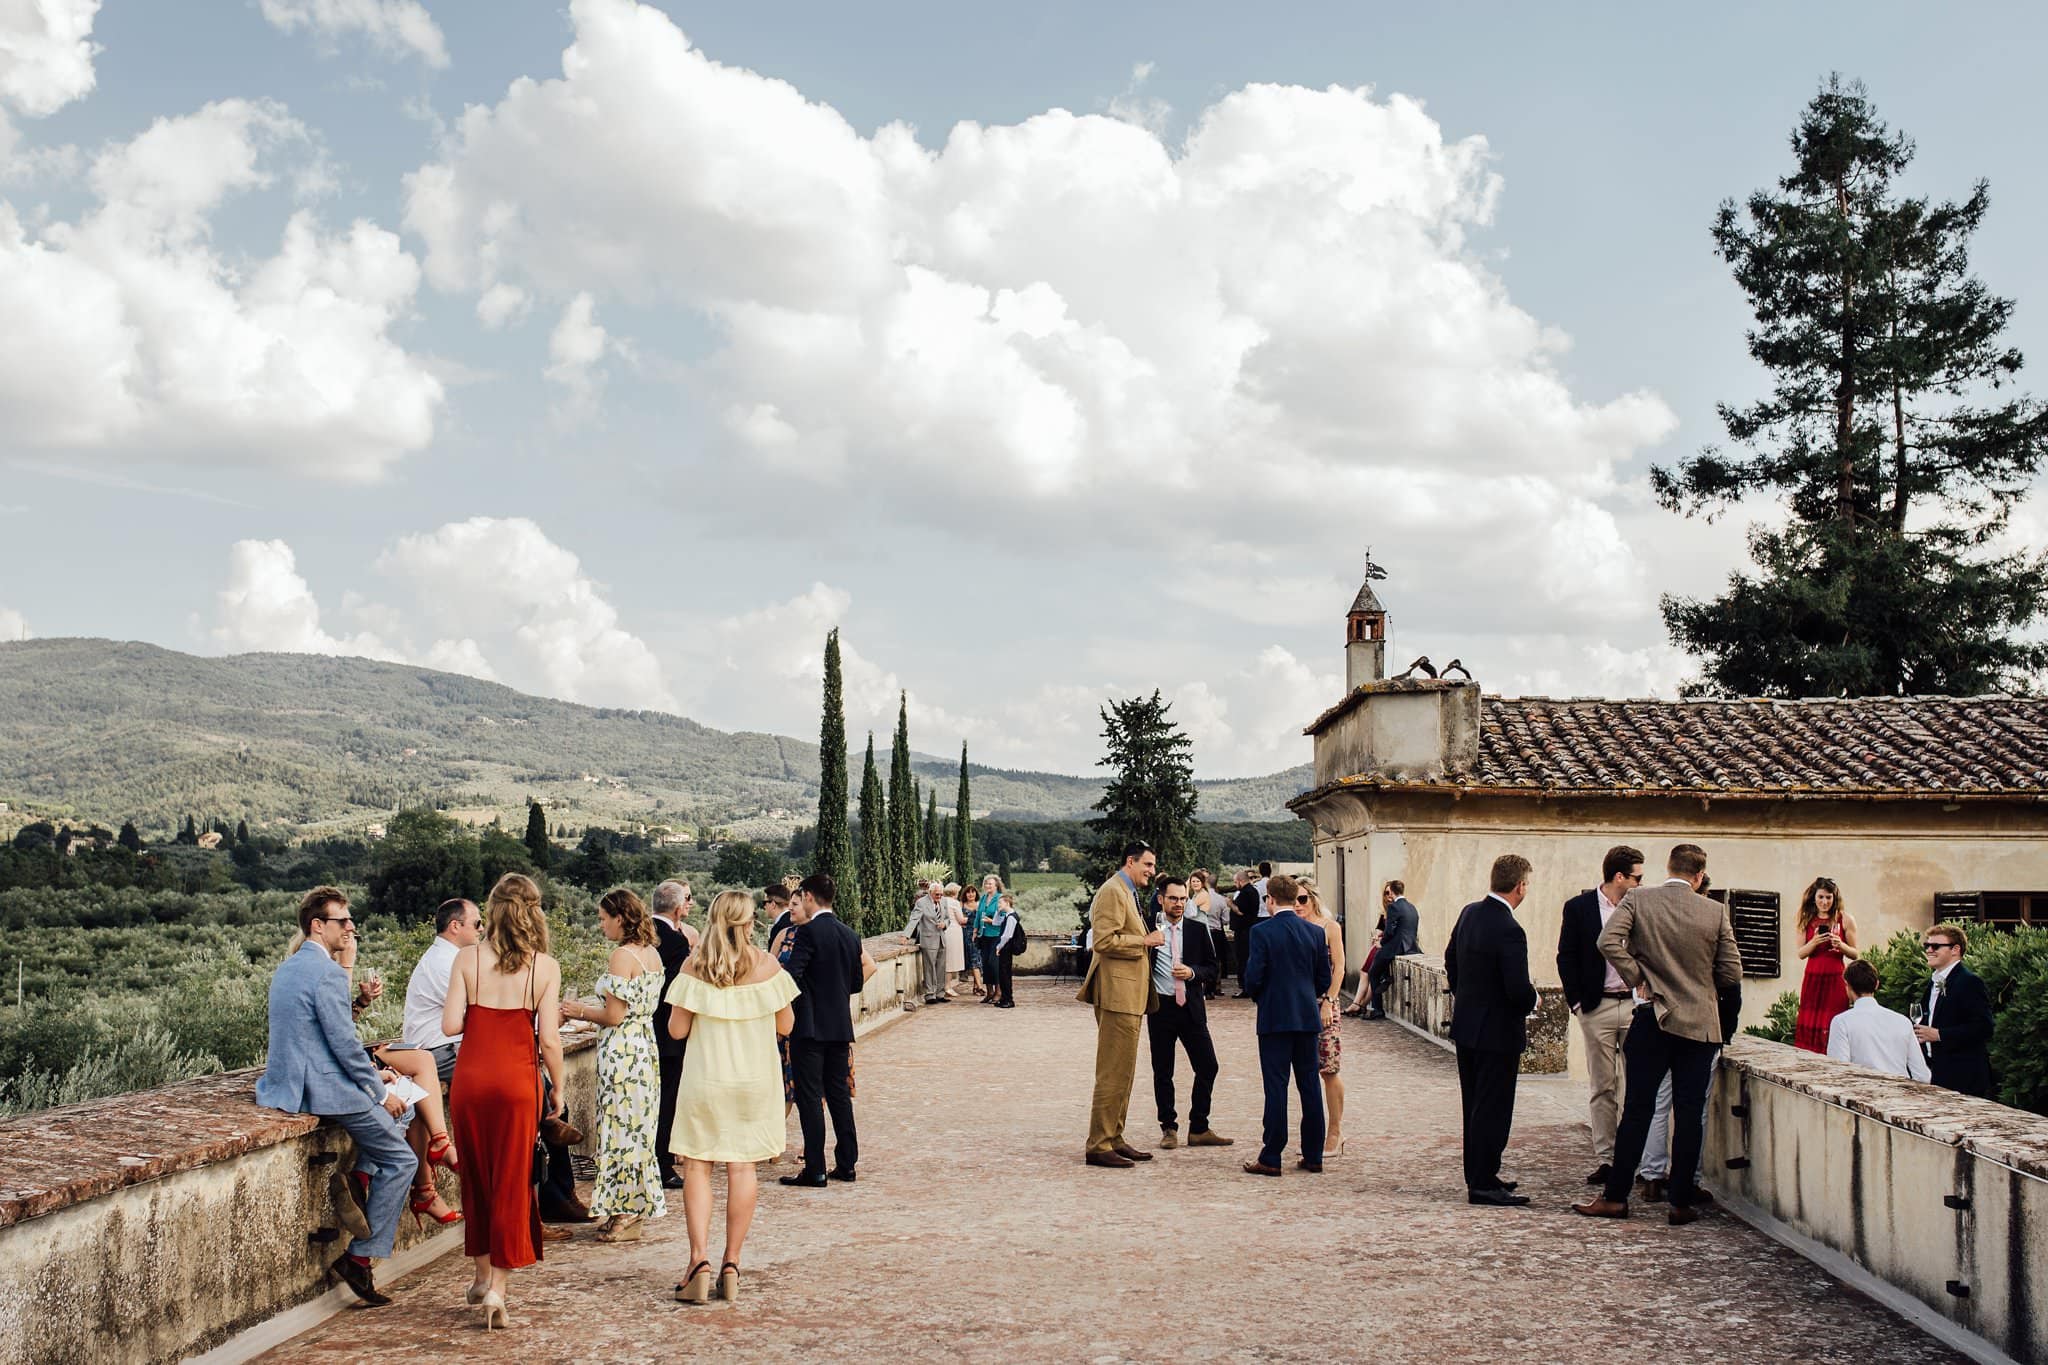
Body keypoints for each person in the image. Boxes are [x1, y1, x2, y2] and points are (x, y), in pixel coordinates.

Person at [255, 887, 419, 1307]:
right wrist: (375, 1089)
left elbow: (323, 1033)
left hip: (291, 1082)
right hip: (325, 1088)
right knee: (402, 1158)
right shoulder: (326, 972)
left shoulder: (289, 968)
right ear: (317, 925)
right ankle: (359, 1259)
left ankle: (361, 1179)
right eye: (342, 921)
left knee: (404, 1107)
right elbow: (344, 1043)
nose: (350, 928)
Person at [1574, 844, 1743, 1227]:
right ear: (1699, 876)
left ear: (1669, 868)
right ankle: (1681, 1203)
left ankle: (1616, 1197)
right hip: (1700, 1024)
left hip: (1653, 1018)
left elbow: (1606, 942)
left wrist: (1639, 976)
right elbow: (1732, 973)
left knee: (1637, 1109)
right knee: (1689, 1114)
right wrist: (1699, 985)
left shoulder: (1638, 900)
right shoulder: (1715, 911)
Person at [443, 872, 565, 1328]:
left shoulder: (467, 959)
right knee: (513, 1182)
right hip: (518, 1084)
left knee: (477, 1179)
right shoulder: (544, 967)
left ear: (491, 911)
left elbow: (451, 1026)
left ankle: (479, 1276)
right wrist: (559, 1087)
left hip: (471, 1082)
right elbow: (550, 1040)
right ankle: (497, 1289)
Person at [665, 890, 799, 1304]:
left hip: (707, 1079)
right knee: (743, 1170)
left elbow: (676, 1031)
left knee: (698, 1168)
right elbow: (787, 1024)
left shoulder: (694, 965)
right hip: (754, 1082)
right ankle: (732, 1264)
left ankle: (697, 1262)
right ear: (749, 921)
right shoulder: (768, 966)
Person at [328, 925, 461, 1230]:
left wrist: (361, 1002)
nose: (352, 943)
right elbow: (334, 1036)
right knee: (416, 1073)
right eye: (349, 938)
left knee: (418, 1075)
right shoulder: (326, 969)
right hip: (340, 1063)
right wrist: (374, 1074)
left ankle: (424, 1181)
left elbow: (340, 1024)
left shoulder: (330, 969)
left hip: (352, 1056)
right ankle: (428, 1166)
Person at [559, 888, 665, 1244]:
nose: (601, 924)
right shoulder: (651, 953)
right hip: (644, 1047)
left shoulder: (622, 956)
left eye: (604, 917)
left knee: (620, 1129)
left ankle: (627, 1212)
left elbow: (614, 1015)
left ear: (621, 917)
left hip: (622, 1053)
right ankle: (626, 1208)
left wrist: (579, 1012)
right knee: (636, 1128)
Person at [1444, 856, 1538, 1207]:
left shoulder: (1470, 913)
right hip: (1497, 1032)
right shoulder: (1510, 929)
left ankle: (1481, 1173)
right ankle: (1482, 1182)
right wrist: (1535, 1000)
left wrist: (1466, 995)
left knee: (1475, 1105)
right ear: (1520, 886)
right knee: (1494, 1108)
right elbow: (1517, 989)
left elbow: (1450, 958)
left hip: (1468, 1025)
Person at [1555, 846, 1645, 1187]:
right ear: (1619, 876)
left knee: (1636, 1086)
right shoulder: (1578, 908)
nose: (1641, 883)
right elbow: (1566, 957)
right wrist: (1577, 1004)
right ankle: (1607, 1159)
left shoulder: (1641, 906)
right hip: (1598, 1007)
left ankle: (1633, 1158)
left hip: (1636, 1006)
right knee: (1603, 1086)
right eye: (1637, 877)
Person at [1077, 841, 1165, 1167]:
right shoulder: (1112, 891)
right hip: (1117, 996)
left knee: (1124, 1071)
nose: (1152, 872)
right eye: (1148, 865)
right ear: (1131, 861)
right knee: (1113, 1072)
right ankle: (1099, 1144)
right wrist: (1145, 940)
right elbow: (1103, 941)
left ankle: (1114, 1136)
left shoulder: (1126, 891)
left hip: (1129, 996)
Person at [1240, 873, 1330, 1177]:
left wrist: (1262, 997)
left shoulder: (1261, 932)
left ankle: (1272, 1154)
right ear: (1296, 899)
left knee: (1276, 1086)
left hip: (1275, 1017)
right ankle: (1314, 1153)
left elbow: (1253, 978)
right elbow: (1324, 980)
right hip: (1307, 1017)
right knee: (1309, 1086)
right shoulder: (1315, 933)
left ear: (1270, 899)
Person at [781, 873, 864, 1188]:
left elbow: (792, 977)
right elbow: (855, 982)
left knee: (811, 1098)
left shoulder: (807, 933)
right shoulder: (849, 935)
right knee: (840, 1096)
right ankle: (847, 1165)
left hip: (810, 1028)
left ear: (810, 898)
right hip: (840, 1026)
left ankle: (815, 1168)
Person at [1144, 876, 1231, 1151]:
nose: (1179, 904)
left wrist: (1193, 973)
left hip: (1191, 1007)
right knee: (1163, 1070)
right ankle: (1168, 1128)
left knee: (1208, 1065)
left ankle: (1199, 1127)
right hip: (1160, 1008)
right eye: (1173, 898)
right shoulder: (1148, 929)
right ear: (1161, 899)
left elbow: (1212, 967)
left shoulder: (1196, 929)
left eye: (1183, 899)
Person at [649, 880, 694, 1191]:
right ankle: (662, 1165)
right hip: (667, 1033)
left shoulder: (642, 934)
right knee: (666, 1102)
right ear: (678, 909)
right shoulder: (678, 943)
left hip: (641, 1030)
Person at [1916, 922, 1994, 1098]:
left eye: (1935, 946)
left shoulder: (1969, 982)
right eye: (1927, 945)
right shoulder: (1934, 981)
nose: (1929, 950)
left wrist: (1939, 1034)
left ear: (1955, 949)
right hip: (1938, 1072)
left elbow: (1984, 1027)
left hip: (1964, 1076)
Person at [1297, 882, 1347, 1156]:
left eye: (1302, 898)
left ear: (1313, 899)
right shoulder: (1293, 926)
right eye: (1294, 899)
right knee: (1306, 1071)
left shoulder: (1329, 927)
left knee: (1329, 1069)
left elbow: (1339, 967)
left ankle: (1335, 1131)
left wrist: (1328, 1001)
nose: (1298, 904)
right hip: (1300, 1004)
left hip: (1324, 1003)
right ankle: (1312, 1136)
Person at [1826, 960, 1929, 1082]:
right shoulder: (1903, 1021)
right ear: (1877, 985)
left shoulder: (1841, 1022)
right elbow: (1923, 1075)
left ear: (1847, 986)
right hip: (1901, 1094)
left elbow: (1839, 1072)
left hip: (1862, 1093)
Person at [1792, 877, 1859, 1053]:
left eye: (1828, 897)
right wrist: (1814, 942)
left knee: (1834, 1019)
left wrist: (1840, 945)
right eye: (1821, 897)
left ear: (1834, 898)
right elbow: (1800, 953)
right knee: (1811, 1021)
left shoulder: (1845, 919)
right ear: (1814, 897)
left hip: (1835, 975)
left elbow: (1855, 954)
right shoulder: (1805, 918)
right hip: (1813, 976)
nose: (1824, 902)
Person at [1362, 880, 1420, 1019]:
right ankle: (1385, 978)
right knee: (1380, 965)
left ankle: (1377, 1009)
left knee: (1373, 972)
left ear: (1392, 892)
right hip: (1411, 947)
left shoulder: (1394, 907)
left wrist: (1381, 943)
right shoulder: (1412, 907)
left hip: (1395, 948)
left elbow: (1389, 931)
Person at [904, 882, 950, 1005]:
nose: (939, 897)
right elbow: (914, 919)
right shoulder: (921, 903)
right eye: (937, 894)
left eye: (941, 894)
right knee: (929, 967)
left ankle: (940, 993)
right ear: (930, 892)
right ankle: (930, 994)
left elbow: (948, 918)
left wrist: (944, 924)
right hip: (928, 938)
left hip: (941, 938)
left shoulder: (944, 901)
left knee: (941, 967)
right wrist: (906, 935)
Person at [1230, 869, 1260, 996]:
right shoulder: (1252, 891)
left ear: (1241, 881)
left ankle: (1245, 987)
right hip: (1248, 929)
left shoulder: (1246, 893)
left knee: (1243, 958)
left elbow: (1240, 911)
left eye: (1236, 882)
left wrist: (1230, 903)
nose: (1235, 884)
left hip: (1244, 931)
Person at [976, 875, 1006, 1003]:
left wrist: (992, 921)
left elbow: (1004, 916)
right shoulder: (983, 898)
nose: (988, 886)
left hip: (996, 935)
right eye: (986, 883)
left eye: (990, 884)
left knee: (994, 964)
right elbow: (978, 915)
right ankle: (989, 992)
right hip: (983, 935)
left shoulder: (1000, 898)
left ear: (996, 885)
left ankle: (999, 992)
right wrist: (975, 930)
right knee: (985, 964)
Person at [992, 892, 1024, 1008]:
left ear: (1007, 903)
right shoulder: (1007, 915)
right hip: (1005, 948)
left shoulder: (1011, 917)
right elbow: (996, 923)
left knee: (1005, 974)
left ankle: (1008, 999)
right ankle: (1004, 998)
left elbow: (1007, 935)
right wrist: (998, 911)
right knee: (1002, 974)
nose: (998, 905)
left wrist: (999, 947)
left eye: (1000, 903)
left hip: (1006, 948)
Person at [939, 883, 968, 997]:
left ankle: (943, 986)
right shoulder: (954, 902)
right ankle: (947, 986)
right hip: (954, 931)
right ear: (955, 892)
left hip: (944, 930)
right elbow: (960, 919)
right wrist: (972, 918)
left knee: (945, 959)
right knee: (951, 960)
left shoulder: (941, 900)